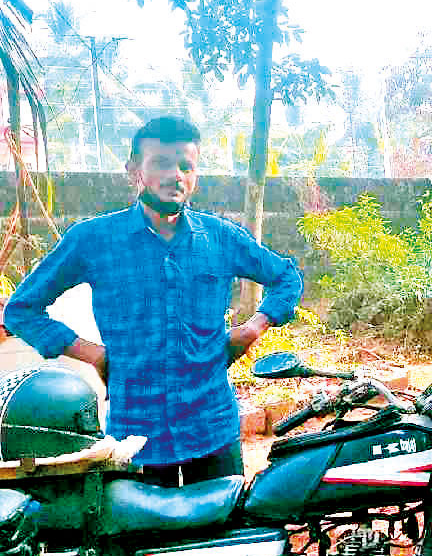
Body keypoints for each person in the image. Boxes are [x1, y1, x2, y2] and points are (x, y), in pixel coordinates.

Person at [5, 116, 303, 488]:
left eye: (186, 166)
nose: (175, 175)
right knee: (141, 528)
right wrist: (93, 355)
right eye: (161, 163)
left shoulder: (221, 238)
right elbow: (21, 310)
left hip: (212, 427)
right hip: (135, 438)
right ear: (134, 170)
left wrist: (253, 328)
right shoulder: (93, 240)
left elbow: (286, 277)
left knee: (217, 526)